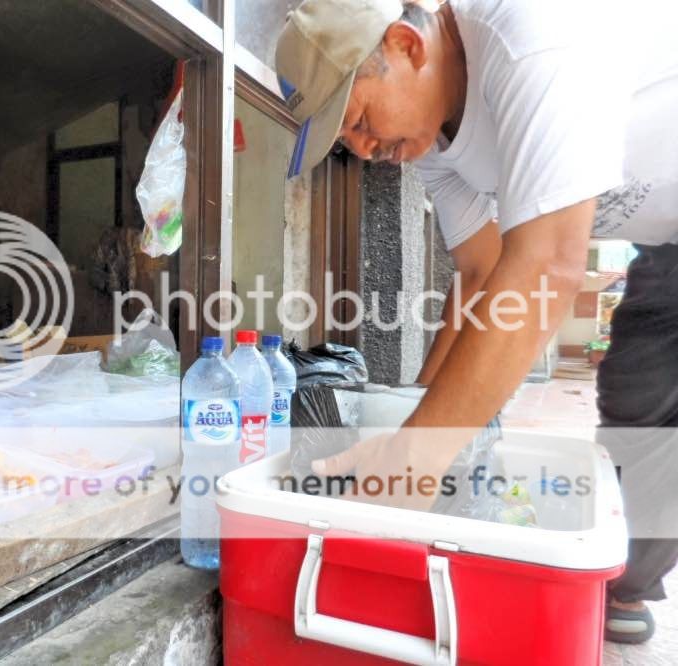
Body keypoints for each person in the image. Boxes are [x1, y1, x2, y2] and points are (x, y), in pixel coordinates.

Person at [276, 0, 678, 645]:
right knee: (636, 398)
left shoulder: (534, 33)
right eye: (343, 140)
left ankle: (619, 584)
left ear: (407, 45)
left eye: (357, 119)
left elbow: (546, 265)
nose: (362, 147)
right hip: (662, 239)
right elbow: (484, 270)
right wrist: (418, 417)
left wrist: (417, 454)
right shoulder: (430, 140)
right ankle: (619, 577)